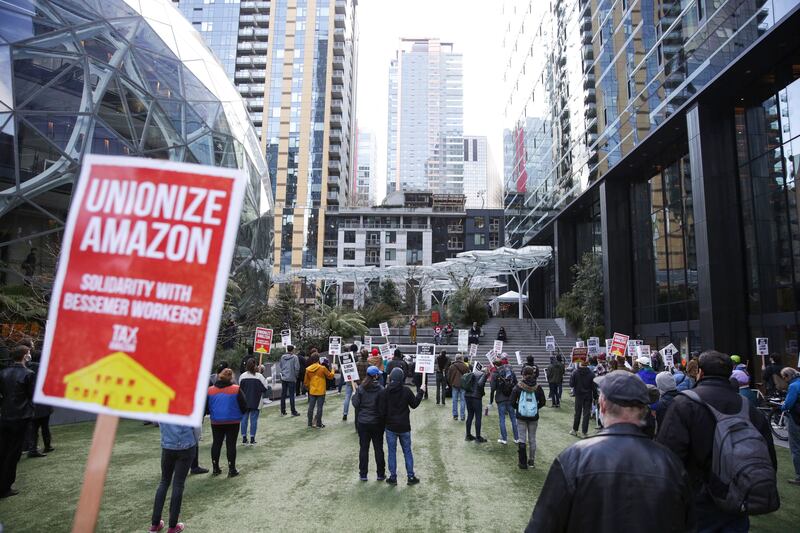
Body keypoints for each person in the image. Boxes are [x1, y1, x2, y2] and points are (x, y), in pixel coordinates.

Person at [526, 371, 695, 532]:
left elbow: (543, 525)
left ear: (603, 404)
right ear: (644, 410)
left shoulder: (574, 458)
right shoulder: (670, 463)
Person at [657, 351, 778, 531]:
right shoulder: (749, 407)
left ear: (701, 372)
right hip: (738, 497)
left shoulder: (684, 404)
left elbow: (668, 457)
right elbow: (769, 457)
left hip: (698, 501)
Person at [148, 423, 200, 533]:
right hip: (186, 445)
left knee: (164, 482)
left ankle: (155, 524)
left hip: (167, 446)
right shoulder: (188, 404)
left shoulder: (163, 405)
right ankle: (172, 526)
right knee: (178, 484)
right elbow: (196, 426)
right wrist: (195, 441)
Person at [0, 345, 35, 498]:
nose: (29, 355)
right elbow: (31, 395)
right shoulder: (28, 374)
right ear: (24, 355)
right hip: (21, 417)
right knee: (14, 453)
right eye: (28, 353)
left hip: (6, 415)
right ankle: (5, 486)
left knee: (4, 451)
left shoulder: (3, 373)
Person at [381, 367, 424, 485]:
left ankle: (393, 477)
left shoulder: (385, 391)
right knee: (407, 451)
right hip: (404, 426)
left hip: (390, 426)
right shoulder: (406, 390)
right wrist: (421, 392)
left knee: (391, 452)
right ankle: (411, 477)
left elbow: (382, 410)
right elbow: (414, 404)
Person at [207, 368, 246, 477]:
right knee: (231, 444)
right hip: (233, 421)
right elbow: (244, 405)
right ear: (231, 377)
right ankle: (231, 469)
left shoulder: (210, 390)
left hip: (216, 421)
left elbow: (206, 407)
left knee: (216, 443)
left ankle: (215, 468)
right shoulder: (236, 389)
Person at [352, 366, 385, 481]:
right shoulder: (381, 389)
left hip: (363, 422)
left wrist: (354, 393)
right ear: (375, 376)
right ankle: (380, 474)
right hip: (377, 422)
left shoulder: (361, 388)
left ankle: (363, 474)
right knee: (378, 448)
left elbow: (356, 404)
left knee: (364, 449)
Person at [511, 365, 546, 469]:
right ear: (533, 374)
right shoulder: (538, 387)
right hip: (533, 417)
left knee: (522, 438)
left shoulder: (518, 386)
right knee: (532, 439)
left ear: (523, 374)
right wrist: (535, 408)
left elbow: (512, 402)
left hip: (521, 416)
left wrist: (519, 408)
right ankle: (531, 461)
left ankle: (522, 463)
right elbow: (543, 402)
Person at [490, 358, 519, 445]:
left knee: (502, 419)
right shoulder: (510, 371)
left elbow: (493, 388)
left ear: (495, 365)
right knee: (513, 418)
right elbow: (516, 383)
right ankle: (517, 438)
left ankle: (504, 439)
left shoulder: (495, 374)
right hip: (510, 398)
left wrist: (491, 401)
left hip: (500, 398)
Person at [239, 358, 268, 445]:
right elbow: (265, 388)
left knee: (244, 419)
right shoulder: (259, 376)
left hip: (244, 401)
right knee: (254, 420)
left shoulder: (242, 376)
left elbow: (239, 389)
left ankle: (244, 438)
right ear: (255, 366)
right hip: (256, 401)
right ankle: (252, 438)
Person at [780, 367, 800, 485]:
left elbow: (787, 405)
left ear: (787, 376)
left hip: (796, 419)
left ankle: (799, 476)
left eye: (784, 377)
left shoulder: (793, 386)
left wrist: (782, 406)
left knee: (796, 448)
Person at [303, 354, 334, 428]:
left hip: (312, 390)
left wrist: (309, 387)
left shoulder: (308, 369)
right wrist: (333, 369)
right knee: (319, 408)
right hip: (321, 390)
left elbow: (306, 382)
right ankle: (319, 423)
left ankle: (309, 423)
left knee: (311, 407)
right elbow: (330, 376)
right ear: (318, 359)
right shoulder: (322, 368)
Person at [569, 359, 595, 438]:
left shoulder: (575, 372)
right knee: (586, 414)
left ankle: (574, 430)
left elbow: (571, 384)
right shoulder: (591, 373)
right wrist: (596, 396)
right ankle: (584, 432)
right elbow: (594, 387)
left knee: (577, 413)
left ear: (580, 363)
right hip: (588, 395)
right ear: (587, 364)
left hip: (579, 395)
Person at [464, 363, 489, 443]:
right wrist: (482, 393)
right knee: (478, 417)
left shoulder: (473, 373)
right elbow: (480, 384)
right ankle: (478, 437)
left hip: (467, 396)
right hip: (476, 397)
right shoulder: (484, 374)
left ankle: (468, 435)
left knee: (470, 415)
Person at [278, 345, 300, 416]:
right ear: (292, 350)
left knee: (283, 395)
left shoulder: (282, 357)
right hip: (291, 378)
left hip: (284, 378)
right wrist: (296, 376)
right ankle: (293, 411)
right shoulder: (295, 357)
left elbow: (280, 366)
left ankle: (282, 411)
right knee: (291, 395)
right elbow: (297, 368)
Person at [447, 354, 469, 421]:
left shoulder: (451, 366)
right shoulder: (465, 366)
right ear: (461, 359)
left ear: (456, 358)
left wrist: (451, 383)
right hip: (463, 385)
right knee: (463, 401)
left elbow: (448, 377)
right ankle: (462, 416)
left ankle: (455, 415)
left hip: (454, 385)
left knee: (454, 401)